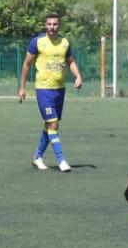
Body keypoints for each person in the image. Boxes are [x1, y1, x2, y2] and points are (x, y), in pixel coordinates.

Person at [16, 13, 82, 172]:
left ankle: (38, 157)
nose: (52, 27)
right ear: (45, 26)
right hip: (43, 90)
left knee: (50, 125)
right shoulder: (37, 42)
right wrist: (22, 87)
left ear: (59, 25)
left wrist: (78, 76)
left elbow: (71, 62)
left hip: (60, 90)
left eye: (55, 24)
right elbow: (26, 64)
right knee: (53, 123)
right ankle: (62, 160)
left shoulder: (65, 43)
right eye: (49, 24)